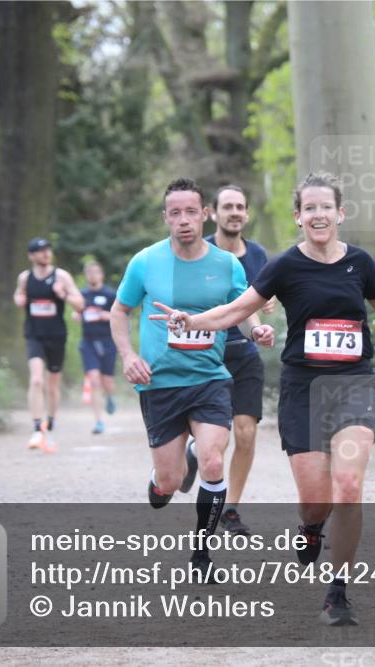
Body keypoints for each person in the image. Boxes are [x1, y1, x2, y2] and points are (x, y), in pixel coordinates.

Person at [154, 172, 375, 626]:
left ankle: (338, 592)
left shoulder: (361, 264)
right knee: (316, 502)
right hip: (303, 391)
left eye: (325, 207)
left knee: (348, 487)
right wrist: (193, 322)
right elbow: (237, 310)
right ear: (298, 217)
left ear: (340, 213)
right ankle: (310, 528)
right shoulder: (286, 265)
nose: (318, 214)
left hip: (352, 385)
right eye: (309, 208)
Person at [109, 178, 274, 580]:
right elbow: (119, 311)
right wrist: (129, 356)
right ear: (165, 218)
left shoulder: (226, 264)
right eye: (175, 213)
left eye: (191, 212)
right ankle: (162, 479)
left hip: (209, 378)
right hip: (161, 382)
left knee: (213, 459)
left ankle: (201, 555)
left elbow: (243, 306)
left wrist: (256, 332)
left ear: (205, 215)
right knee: (171, 481)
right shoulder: (145, 262)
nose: (184, 220)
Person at [204, 185, 273, 536]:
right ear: (213, 213)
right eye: (227, 206)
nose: (234, 212)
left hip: (244, 353)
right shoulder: (199, 252)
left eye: (240, 207)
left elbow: (262, 297)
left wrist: (263, 312)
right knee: (214, 438)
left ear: (246, 214)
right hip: (203, 353)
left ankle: (231, 508)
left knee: (245, 433)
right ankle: (192, 451)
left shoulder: (258, 255)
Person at [13, 238, 85, 452]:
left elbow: (80, 305)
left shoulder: (61, 276)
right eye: (40, 251)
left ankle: (50, 421)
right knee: (36, 380)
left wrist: (63, 294)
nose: (45, 254)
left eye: (47, 250)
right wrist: (19, 298)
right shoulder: (25, 278)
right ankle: (37, 427)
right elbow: (19, 294)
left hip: (56, 336)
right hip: (34, 335)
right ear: (31, 256)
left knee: (52, 385)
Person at [73, 261, 118, 434]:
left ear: (101, 274)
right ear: (86, 275)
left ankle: (111, 397)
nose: (92, 275)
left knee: (107, 381)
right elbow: (77, 311)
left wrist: (104, 315)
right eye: (89, 272)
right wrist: (76, 315)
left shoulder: (110, 294)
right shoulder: (81, 294)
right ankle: (99, 421)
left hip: (107, 341)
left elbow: (119, 314)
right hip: (88, 342)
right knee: (93, 380)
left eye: (96, 272)